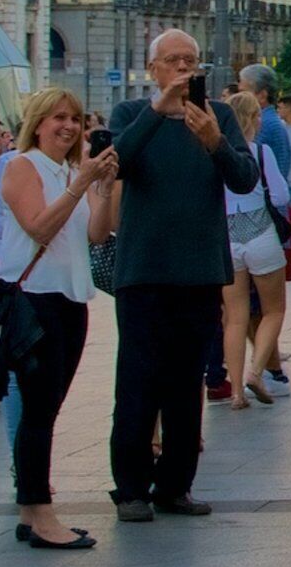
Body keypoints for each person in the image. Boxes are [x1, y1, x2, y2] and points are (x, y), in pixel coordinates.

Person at [106, 31, 257, 518]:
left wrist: (215, 142)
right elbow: (119, 162)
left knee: (185, 385)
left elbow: (244, 178)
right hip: (144, 270)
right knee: (137, 383)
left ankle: (175, 485)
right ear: (153, 69)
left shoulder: (220, 115)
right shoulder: (132, 114)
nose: (183, 69)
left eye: (190, 61)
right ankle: (130, 488)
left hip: (199, 271)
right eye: (173, 61)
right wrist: (158, 110)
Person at [0, 87, 116, 548]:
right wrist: (79, 188)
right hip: (33, 299)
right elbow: (38, 226)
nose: (70, 127)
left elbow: (97, 235)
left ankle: (31, 510)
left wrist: (104, 189)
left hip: (70, 299)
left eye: (75, 118)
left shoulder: (73, 171)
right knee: (37, 411)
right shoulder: (21, 167)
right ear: (37, 123)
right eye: (59, 118)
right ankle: (40, 513)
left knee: (47, 409)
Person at [218, 75, 291, 409]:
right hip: (260, 231)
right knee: (274, 309)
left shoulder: (217, 154)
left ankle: (235, 391)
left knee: (234, 317)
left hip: (227, 234)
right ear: (253, 121)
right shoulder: (260, 152)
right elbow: (279, 195)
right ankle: (256, 370)